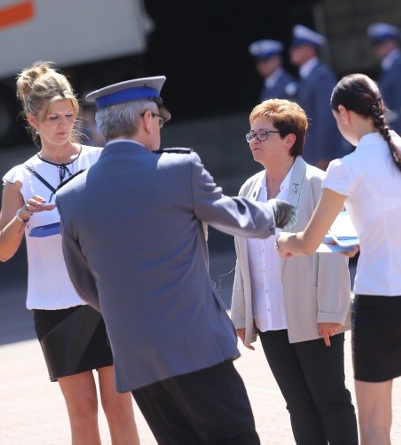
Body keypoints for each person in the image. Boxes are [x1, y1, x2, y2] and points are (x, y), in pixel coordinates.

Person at [56, 75, 297, 444]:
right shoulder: (178, 169)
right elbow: (233, 217)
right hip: (194, 344)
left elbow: (85, 284)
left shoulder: (70, 196)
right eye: (160, 120)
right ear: (147, 120)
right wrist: (274, 212)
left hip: (135, 355)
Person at [276, 74, 401, 445]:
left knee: (376, 426)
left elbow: (307, 242)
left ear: (343, 113)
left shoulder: (346, 167)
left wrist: (279, 239)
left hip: (382, 301)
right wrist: (365, 239)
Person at [0, 62, 139, 444]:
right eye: (52, 118)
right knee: (81, 416)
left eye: (68, 115)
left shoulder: (100, 160)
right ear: (33, 120)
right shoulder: (19, 178)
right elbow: (4, 251)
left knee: (121, 409)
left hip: (108, 303)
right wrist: (23, 216)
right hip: (54, 309)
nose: (63, 125)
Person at [231, 98, 357, 445]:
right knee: (298, 405)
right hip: (270, 316)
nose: (254, 140)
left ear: (290, 140)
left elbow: (337, 251)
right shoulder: (248, 189)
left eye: (263, 134)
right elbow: (245, 258)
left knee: (330, 400)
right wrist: (242, 314)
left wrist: (332, 310)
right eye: (251, 134)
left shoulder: (319, 183)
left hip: (313, 314)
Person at [290, 24, 348, 170]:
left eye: (297, 46)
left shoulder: (321, 76)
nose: (292, 51)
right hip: (311, 153)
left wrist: (324, 155)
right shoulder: (307, 77)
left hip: (323, 155)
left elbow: (326, 118)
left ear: (310, 49)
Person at [367, 23, 401, 138]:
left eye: (381, 44)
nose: (378, 48)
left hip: (400, 127)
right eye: (376, 45)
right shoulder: (389, 66)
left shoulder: (400, 65)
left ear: (392, 43)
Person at [249, 39, 299, 103]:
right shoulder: (268, 85)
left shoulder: (288, 85)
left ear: (277, 60)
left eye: (265, 60)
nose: (261, 65)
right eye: (258, 61)